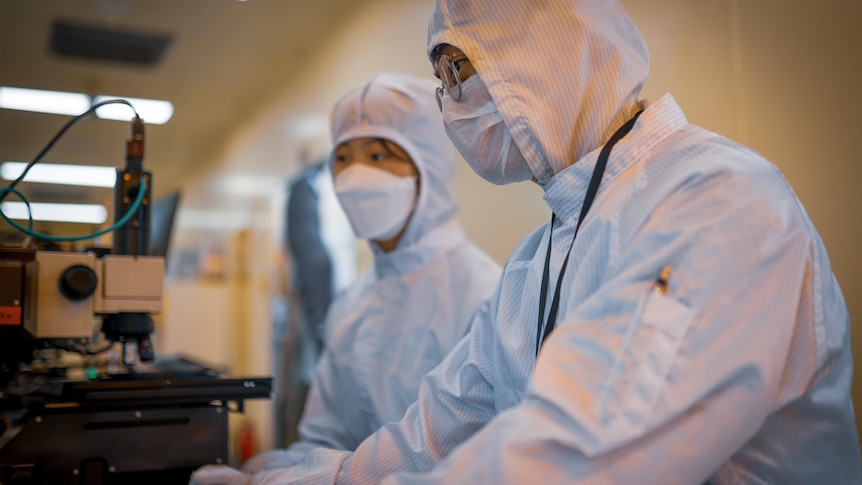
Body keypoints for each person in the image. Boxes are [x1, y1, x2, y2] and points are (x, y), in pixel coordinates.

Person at [192, 0, 861, 483]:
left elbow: (576, 453)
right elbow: (441, 420)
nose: (450, 104)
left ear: (540, 56)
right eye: (442, 82)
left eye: (459, 72)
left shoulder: (718, 200)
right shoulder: (538, 258)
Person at [191, 72, 501, 483]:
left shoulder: (485, 295)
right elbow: (323, 438)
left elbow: (466, 461)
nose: (354, 176)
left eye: (377, 156)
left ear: (431, 165)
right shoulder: (352, 303)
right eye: (342, 158)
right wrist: (281, 471)